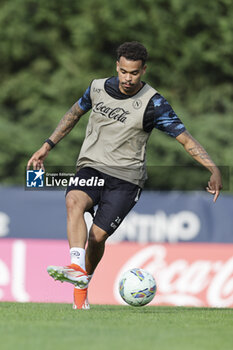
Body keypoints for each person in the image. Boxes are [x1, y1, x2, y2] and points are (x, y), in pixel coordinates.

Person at [27, 41, 222, 310]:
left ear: (143, 70)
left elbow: (186, 140)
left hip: (126, 180)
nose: (128, 78)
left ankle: (82, 287)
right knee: (74, 199)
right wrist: (46, 146)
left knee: (96, 238)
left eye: (134, 73)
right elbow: (73, 115)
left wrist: (212, 168)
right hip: (91, 167)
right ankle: (75, 265)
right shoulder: (97, 88)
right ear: (116, 67)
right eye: (123, 71)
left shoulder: (154, 104)